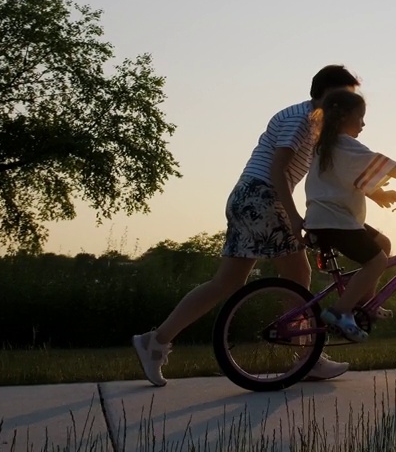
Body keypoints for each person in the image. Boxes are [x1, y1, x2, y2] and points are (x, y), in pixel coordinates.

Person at [132, 65, 363, 386]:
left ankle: (154, 341)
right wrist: (295, 217)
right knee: (298, 276)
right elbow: (278, 168)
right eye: (343, 97)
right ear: (324, 93)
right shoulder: (302, 119)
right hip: (263, 197)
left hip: (247, 196)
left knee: (226, 283)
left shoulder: (315, 123)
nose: (346, 106)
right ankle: (305, 357)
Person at [303, 89, 396, 342]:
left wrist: (381, 193)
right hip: (334, 220)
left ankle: (366, 304)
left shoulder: (327, 147)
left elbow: (354, 178)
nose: (363, 123)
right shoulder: (344, 144)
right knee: (376, 261)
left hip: (328, 218)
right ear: (343, 118)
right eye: (360, 117)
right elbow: (381, 162)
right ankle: (340, 312)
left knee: (382, 244)